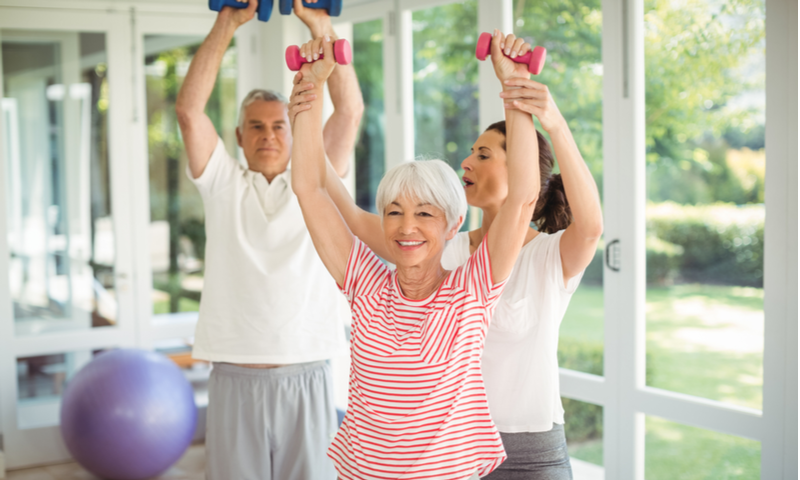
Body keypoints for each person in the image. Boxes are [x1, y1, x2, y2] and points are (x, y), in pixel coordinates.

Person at [293, 32, 603, 479]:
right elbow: (312, 190)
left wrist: (516, 91)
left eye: (424, 213)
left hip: (511, 445)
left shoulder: (469, 289)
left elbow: (524, 200)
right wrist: (307, 95)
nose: (406, 227)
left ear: (449, 222)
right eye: (394, 213)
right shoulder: (372, 280)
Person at [174, 0, 364, 477]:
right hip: (235, 373)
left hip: (307, 369)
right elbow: (189, 110)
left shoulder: (316, 181)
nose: (269, 135)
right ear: (239, 135)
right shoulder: (222, 183)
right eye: (256, 126)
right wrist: (228, 21)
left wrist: (321, 25)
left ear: (295, 131)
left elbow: (349, 110)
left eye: (280, 125)